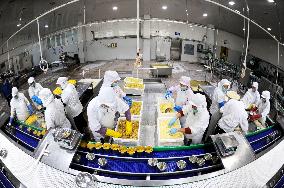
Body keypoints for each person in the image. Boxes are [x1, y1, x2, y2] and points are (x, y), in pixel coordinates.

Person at [101, 71, 133, 135]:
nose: (116, 83)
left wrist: (125, 97)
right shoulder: (105, 91)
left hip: (116, 112)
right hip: (108, 115)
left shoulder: (114, 86)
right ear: (110, 81)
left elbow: (119, 91)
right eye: (115, 81)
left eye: (116, 81)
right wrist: (128, 122)